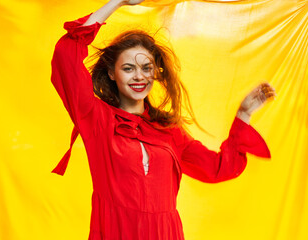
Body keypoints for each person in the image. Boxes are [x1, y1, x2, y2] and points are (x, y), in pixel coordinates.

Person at [50, 0, 276, 239]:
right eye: (128, 68)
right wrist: (118, 2)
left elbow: (218, 169)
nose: (139, 76)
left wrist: (244, 115)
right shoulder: (96, 118)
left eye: (146, 68)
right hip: (116, 231)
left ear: (155, 71)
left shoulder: (169, 130)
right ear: (111, 73)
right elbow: (66, 54)